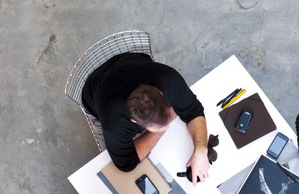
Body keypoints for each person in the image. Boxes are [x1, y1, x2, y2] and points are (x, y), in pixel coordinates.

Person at [80, 51, 210, 181]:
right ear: (133, 120)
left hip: (128, 61)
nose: (168, 124)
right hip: (95, 90)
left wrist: (201, 149)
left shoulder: (169, 80)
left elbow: (194, 111)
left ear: (161, 93)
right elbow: (126, 163)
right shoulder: (114, 123)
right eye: (159, 127)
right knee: (106, 159)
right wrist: (159, 133)